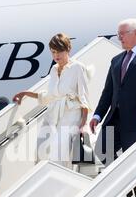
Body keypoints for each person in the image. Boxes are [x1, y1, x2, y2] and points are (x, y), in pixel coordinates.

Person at [89, 18, 136, 165]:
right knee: (102, 150)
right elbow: (108, 92)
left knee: (135, 159)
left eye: (123, 33)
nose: (120, 37)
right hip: (115, 118)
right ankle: (119, 175)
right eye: (118, 34)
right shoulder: (116, 60)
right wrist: (98, 115)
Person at [13, 33, 91, 169]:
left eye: (59, 51)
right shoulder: (54, 70)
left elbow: (84, 98)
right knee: (40, 153)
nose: (56, 55)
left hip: (71, 116)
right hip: (52, 115)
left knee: (59, 155)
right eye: (53, 52)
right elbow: (49, 96)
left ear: (68, 49)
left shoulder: (78, 67)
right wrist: (25, 93)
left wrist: (83, 124)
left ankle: (62, 186)